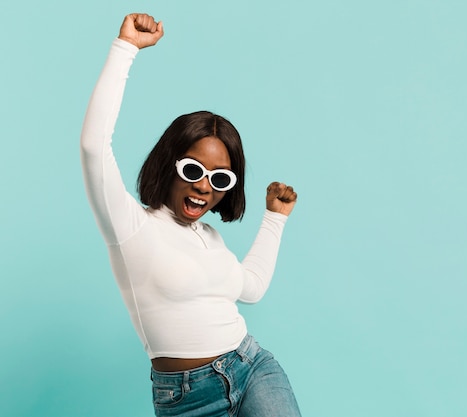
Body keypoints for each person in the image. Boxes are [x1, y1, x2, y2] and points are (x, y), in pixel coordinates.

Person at [80, 13, 302, 417]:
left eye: (220, 179)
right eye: (193, 171)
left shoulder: (210, 238)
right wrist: (125, 48)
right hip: (187, 396)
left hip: (253, 368)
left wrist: (275, 218)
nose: (204, 187)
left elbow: (250, 288)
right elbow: (94, 147)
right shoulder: (132, 227)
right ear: (169, 165)